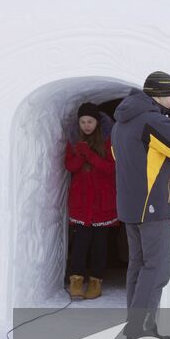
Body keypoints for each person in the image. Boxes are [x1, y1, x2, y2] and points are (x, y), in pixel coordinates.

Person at [111, 71, 170, 339]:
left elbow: (121, 157)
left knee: (138, 267)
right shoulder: (151, 120)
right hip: (152, 207)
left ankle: (136, 328)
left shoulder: (120, 123)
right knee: (157, 269)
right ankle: (141, 333)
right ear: (159, 94)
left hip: (130, 207)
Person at [64, 102, 117, 300]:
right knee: (81, 242)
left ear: (97, 122)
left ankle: (96, 282)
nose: (86, 125)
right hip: (82, 200)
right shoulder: (73, 140)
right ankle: (76, 280)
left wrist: (90, 154)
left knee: (99, 243)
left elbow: (110, 168)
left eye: (90, 121)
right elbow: (70, 166)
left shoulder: (108, 141)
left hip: (102, 200)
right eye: (83, 121)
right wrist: (80, 154)